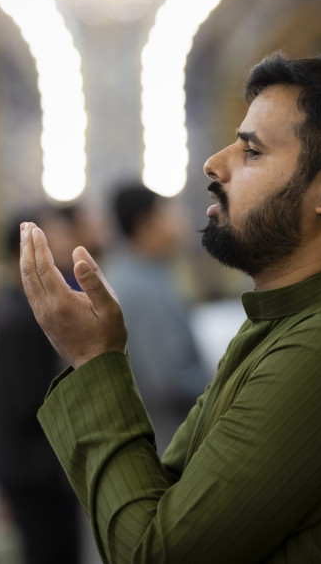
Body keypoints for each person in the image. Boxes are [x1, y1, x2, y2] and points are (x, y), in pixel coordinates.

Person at [20, 53, 321, 562]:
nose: (214, 164)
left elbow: (152, 552)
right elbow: (168, 499)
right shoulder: (291, 321)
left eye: (252, 152)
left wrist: (94, 359)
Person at [0, 209, 80, 564]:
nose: (66, 242)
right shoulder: (19, 316)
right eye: (55, 236)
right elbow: (27, 402)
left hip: (41, 464)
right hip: (36, 469)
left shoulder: (30, 309)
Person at [105, 184, 208, 451]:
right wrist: (229, 386)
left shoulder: (137, 275)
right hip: (169, 443)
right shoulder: (141, 289)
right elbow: (170, 380)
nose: (181, 218)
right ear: (146, 224)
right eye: (169, 212)